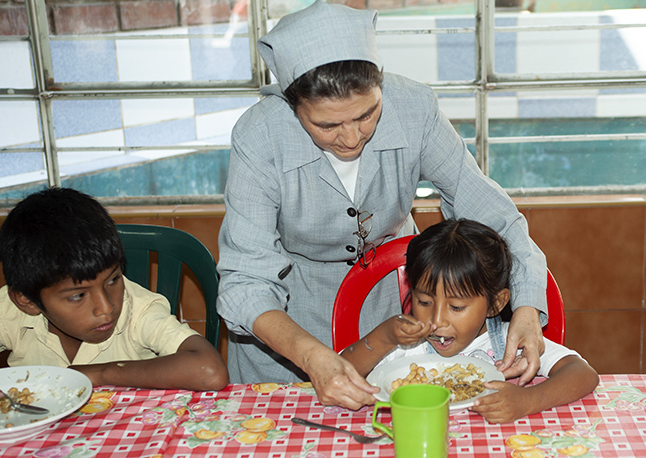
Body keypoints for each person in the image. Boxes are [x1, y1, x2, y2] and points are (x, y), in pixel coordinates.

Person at [217, 0, 549, 410]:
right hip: (288, 320)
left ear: (381, 86)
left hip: (386, 312)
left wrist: (528, 306)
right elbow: (245, 281)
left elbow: (495, 215)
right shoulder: (260, 136)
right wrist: (310, 356)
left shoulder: (414, 109)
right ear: (292, 104)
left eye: (367, 114)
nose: (352, 138)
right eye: (326, 125)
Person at [0, 187, 229, 408]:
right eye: (78, 295)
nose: (106, 307)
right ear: (28, 301)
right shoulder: (8, 314)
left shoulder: (138, 310)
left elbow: (210, 371)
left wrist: (99, 374)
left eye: (113, 280)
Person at [342, 219, 599, 423]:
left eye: (456, 306)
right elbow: (338, 372)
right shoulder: (405, 344)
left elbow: (583, 374)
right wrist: (382, 338)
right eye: (424, 302)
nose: (438, 320)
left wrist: (527, 400)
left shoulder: (510, 344)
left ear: (496, 304)